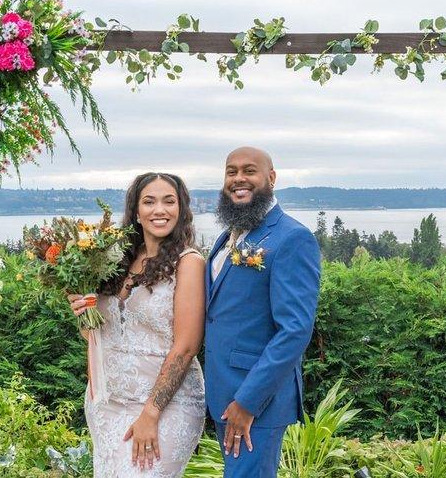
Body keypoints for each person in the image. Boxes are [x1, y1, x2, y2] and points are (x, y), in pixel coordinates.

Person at [69, 172, 206, 477]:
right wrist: (82, 313)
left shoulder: (188, 262)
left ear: (181, 209)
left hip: (165, 406)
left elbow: (186, 347)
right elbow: (97, 335)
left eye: (169, 201)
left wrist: (151, 414)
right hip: (107, 404)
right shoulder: (114, 260)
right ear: (136, 212)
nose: (160, 210)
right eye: (149, 202)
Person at [204, 147, 322, 478]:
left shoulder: (292, 238)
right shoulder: (230, 236)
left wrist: (248, 402)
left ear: (271, 178)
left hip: (256, 403)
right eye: (231, 172)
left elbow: (295, 331)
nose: (238, 178)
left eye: (249, 170)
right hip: (224, 393)